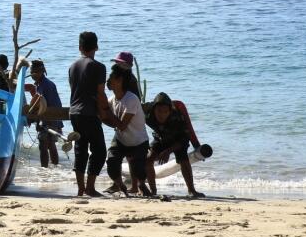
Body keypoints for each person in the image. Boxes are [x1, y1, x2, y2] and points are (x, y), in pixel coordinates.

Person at [68, 32, 115, 197]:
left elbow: (75, 90)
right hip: (89, 113)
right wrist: (107, 113)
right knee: (100, 151)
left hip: (74, 112)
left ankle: (81, 188)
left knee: (81, 149)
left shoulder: (72, 66)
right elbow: (100, 94)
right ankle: (90, 187)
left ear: (80, 47)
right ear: (96, 47)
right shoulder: (99, 67)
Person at [144, 92, 205, 198]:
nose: (162, 115)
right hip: (160, 137)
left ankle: (192, 190)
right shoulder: (147, 112)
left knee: (183, 160)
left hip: (178, 139)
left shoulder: (177, 117)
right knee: (148, 160)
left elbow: (185, 138)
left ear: (170, 111)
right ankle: (153, 190)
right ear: (154, 109)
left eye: (165, 112)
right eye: (159, 111)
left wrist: (167, 152)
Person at [104, 66, 153, 197]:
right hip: (121, 139)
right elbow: (110, 121)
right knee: (112, 162)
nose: (108, 81)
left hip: (138, 141)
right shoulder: (111, 99)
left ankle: (142, 184)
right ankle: (121, 185)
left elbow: (122, 125)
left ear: (120, 81)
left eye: (111, 78)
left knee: (138, 169)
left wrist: (107, 113)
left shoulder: (131, 99)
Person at [30, 60, 62, 167]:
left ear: (41, 72)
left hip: (50, 118)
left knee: (43, 145)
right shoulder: (42, 84)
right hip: (51, 118)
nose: (32, 74)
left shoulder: (45, 85)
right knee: (50, 144)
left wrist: (39, 121)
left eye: (34, 72)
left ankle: (45, 169)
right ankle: (54, 169)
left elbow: (48, 106)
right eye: (31, 71)